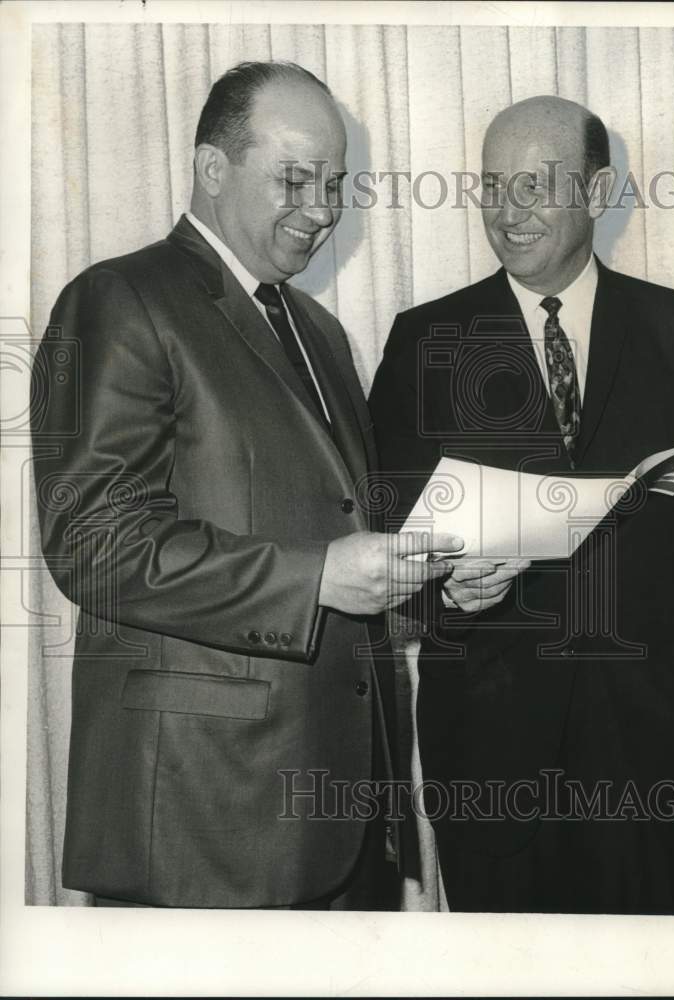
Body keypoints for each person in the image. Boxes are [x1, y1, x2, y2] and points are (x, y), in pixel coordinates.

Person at [31, 61, 461, 909]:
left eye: (335, 183)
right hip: (204, 819)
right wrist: (319, 578)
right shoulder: (119, 298)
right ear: (212, 169)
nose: (323, 208)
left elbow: (339, 533)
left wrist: (440, 581)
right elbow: (92, 544)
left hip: (339, 821)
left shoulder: (320, 332)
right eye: (297, 178)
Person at [368, 95, 674, 914]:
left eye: (535, 186)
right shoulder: (424, 337)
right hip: (489, 752)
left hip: (646, 746)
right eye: (492, 186)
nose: (507, 212)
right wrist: (445, 587)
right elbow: (380, 532)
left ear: (596, 190)